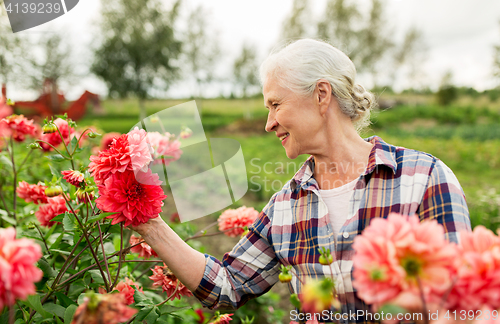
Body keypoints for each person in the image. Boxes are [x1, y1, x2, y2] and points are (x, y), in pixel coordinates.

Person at [132, 39, 471, 323]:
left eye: (276, 104)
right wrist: (149, 225)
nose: (268, 123)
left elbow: (463, 302)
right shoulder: (286, 205)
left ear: (322, 95)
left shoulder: (423, 178)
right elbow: (228, 286)